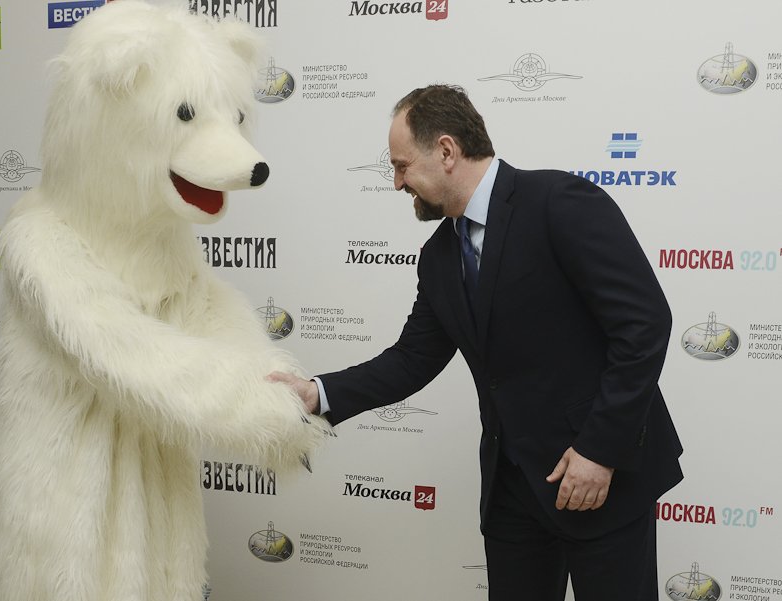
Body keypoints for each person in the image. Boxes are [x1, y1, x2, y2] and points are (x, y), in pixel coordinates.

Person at [270, 84, 683, 601]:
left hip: (601, 478)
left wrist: (599, 451)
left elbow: (644, 325)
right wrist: (316, 393)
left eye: (401, 166)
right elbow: (411, 359)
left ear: (446, 151)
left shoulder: (559, 202)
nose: (397, 183)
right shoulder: (440, 255)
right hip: (513, 493)